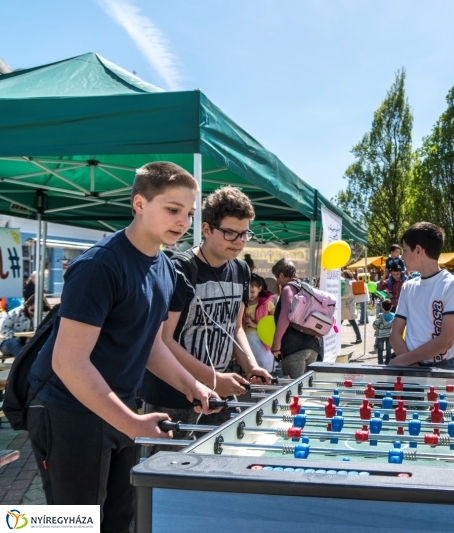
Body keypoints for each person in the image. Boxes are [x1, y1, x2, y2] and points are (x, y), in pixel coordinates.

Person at [26, 161, 217, 532]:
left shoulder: (163, 266)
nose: (183, 221)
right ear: (139, 204)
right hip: (67, 410)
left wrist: (190, 385)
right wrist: (130, 422)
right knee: (68, 524)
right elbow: (69, 361)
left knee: (117, 519)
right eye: (173, 209)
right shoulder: (99, 266)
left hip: (118, 407)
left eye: (189, 213)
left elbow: (148, 344)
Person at [140, 185, 272, 446]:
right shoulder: (180, 269)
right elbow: (164, 341)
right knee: (168, 476)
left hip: (217, 392)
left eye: (245, 234)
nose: (239, 241)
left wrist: (250, 365)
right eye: (230, 233)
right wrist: (212, 378)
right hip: (173, 392)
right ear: (207, 229)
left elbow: (235, 328)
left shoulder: (242, 270)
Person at [390, 222, 454, 369]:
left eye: (405, 250)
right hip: (410, 365)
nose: (402, 257)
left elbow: (446, 340)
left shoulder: (452, 285)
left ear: (418, 250)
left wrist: (406, 361)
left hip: (443, 367)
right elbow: (395, 334)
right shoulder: (408, 287)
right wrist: (414, 366)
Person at [272, 258, 320, 378]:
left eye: (277, 277)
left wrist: (276, 343)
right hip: (312, 345)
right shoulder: (305, 287)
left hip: (294, 347)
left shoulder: (288, 289)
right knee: (307, 388)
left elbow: (285, 315)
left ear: (282, 275)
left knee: (294, 389)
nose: (277, 281)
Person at [244, 273, 276, 374]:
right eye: (247, 292)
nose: (250, 294)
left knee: (262, 364)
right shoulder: (244, 303)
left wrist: (255, 325)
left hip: (261, 339)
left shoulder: (266, 303)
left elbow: (274, 320)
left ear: (260, 288)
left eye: (252, 292)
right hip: (247, 338)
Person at [340, 270, 363, 345]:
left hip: (346, 304)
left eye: (342, 274)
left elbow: (347, 294)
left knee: (340, 322)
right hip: (349, 304)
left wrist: (338, 296)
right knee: (351, 322)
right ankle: (359, 337)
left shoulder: (348, 283)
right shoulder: (353, 281)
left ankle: (359, 338)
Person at [372, 299, 394, 364]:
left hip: (380, 335)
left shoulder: (380, 315)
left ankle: (380, 362)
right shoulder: (393, 315)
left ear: (382, 307)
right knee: (388, 349)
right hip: (389, 335)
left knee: (380, 349)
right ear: (391, 306)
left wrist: (378, 329)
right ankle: (388, 361)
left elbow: (374, 325)